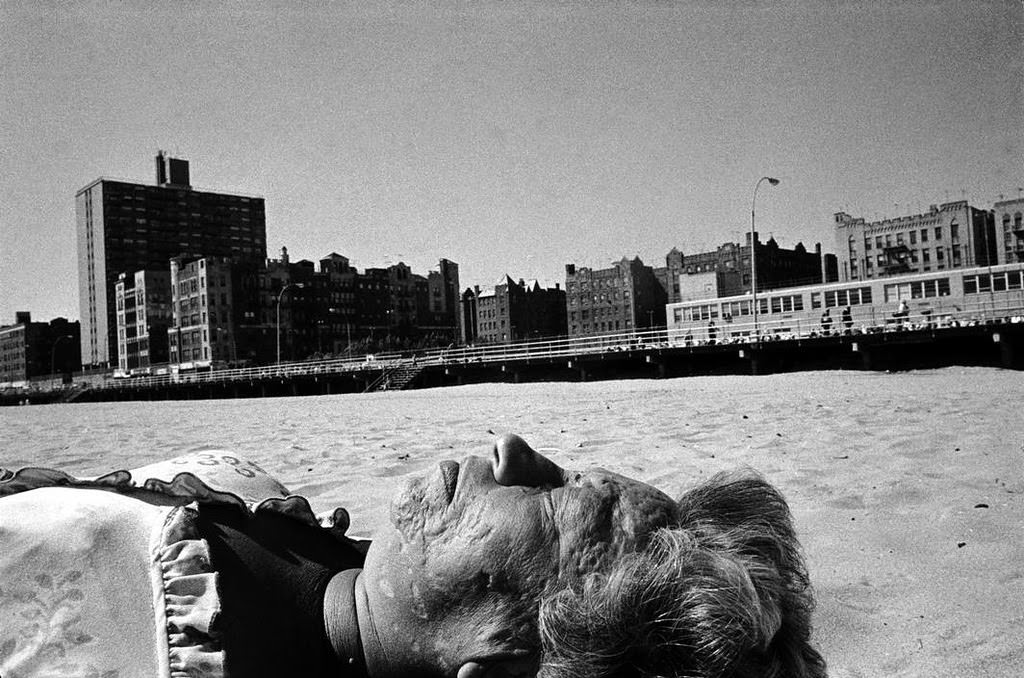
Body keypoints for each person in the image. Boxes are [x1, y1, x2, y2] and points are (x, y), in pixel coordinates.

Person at [0, 435, 826, 678]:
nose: (515, 448)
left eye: (570, 500)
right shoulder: (333, 561)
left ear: (501, 658)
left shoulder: (120, 649)